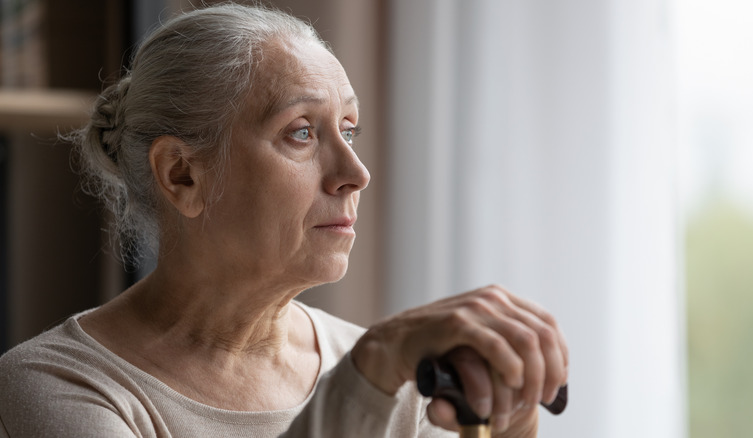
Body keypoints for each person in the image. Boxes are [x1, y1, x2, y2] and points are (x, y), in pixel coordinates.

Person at [0, 4, 568, 437]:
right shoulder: (58, 385)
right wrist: (366, 379)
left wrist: (503, 429)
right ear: (182, 176)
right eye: (301, 132)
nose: (356, 172)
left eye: (349, 129)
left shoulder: (386, 371)